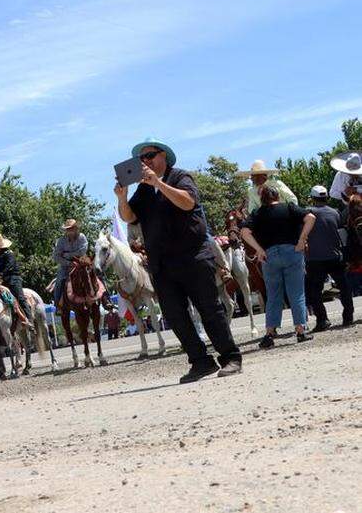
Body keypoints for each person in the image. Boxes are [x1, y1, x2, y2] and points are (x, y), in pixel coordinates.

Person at [116, 138, 242, 383]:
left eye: (149, 156)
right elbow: (129, 218)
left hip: (193, 256)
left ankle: (230, 357)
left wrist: (159, 183)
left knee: (210, 310)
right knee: (175, 315)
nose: (145, 162)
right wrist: (122, 197)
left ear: (164, 156)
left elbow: (188, 202)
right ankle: (200, 361)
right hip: (162, 263)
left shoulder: (180, 177)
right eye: (141, 159)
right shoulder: (143, 190)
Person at [240, 185, 316, 347]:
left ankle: (270, 333)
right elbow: (311, 218)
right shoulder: (289, 208)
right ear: (277, 196)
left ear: (262, 199)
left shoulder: (257, 214)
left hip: (269, 256)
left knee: (273, 295)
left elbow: (244, 232)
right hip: (292, 252)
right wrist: (302, 240)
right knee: (296, 293)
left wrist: (259, 249)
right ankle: (300, 330)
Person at [304, 185, 352, 329]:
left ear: (312, 199)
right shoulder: (335, 213)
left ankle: (322, 320)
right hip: (335, 257)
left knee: (315, 291)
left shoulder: (307, 213)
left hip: (315, 259)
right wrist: (346, 256)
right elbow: (342, 235)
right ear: (326, 197)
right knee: (344, 287)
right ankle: (348, 316)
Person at [0, 233, 34, 332]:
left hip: (14, 279)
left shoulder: (9, 254)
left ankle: (30, 320)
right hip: (4, 280)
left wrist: (0, 275)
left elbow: (10, 267)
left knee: (20, 298)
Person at [51, 219, 89, 308]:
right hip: (65, 266)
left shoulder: (82, 237)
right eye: (68, 229)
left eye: (72, 228)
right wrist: (68, 262)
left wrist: (66, 254)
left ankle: (104, 298)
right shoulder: (61, 241)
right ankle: (57, 305)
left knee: (95, 275)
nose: (70, 230)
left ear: (76, 228)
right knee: (59, 281)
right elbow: (56, 256)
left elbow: (82, 251)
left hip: (81, 263)